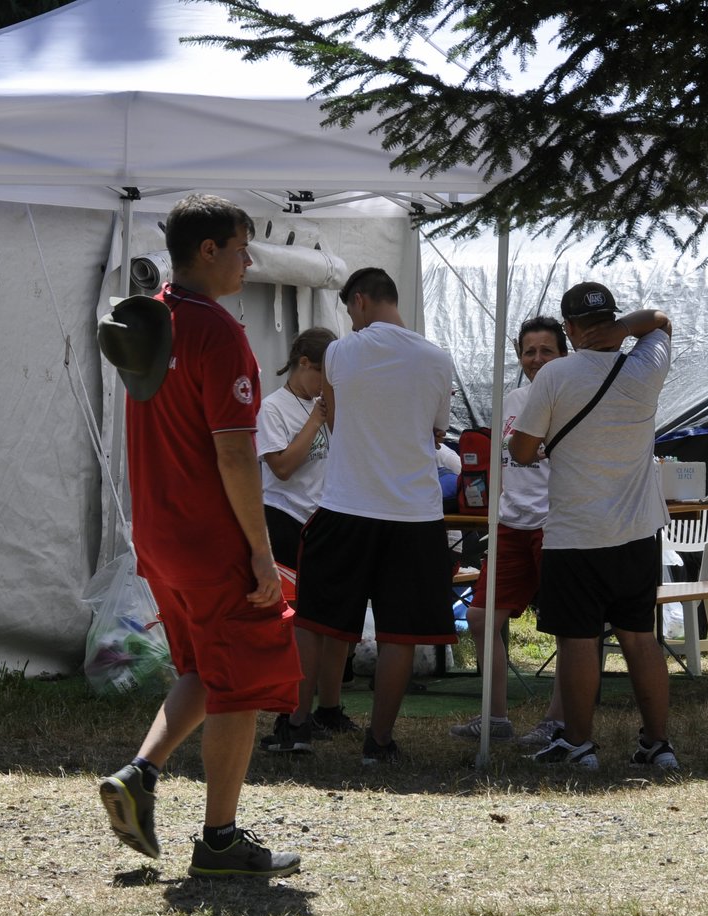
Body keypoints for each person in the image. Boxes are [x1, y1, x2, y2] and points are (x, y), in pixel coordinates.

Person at [98, 193, 302, 877]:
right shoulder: (217, 331)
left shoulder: (150, 316)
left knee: (203, 671)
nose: (248, 261)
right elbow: (237, 454)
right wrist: (262, 551)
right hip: (209, 537)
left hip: (158, 534)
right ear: (208, 250)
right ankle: (219, 840)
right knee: (240, 684)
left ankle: (141, 773)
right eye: (241, 248)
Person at [507, 282, 679, 773]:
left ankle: (579, 745)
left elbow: (521, 452)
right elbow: (662, 319)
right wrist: (625, 329)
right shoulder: (647, 364)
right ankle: (658, 744)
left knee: (577, 641)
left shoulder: (556, 373)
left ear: (569, 330)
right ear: (613, 321)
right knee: (640, 637)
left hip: (575, 533)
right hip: (639, 531)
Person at [292, 266, 457, 764]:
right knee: (400, 633)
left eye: (349, 310)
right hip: (415, 512)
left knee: (316, 619)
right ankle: (379, 741)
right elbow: (436, 432)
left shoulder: (341, 350)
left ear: (359, 301)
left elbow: (336, 420)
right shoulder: (438, 358)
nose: (351, 320)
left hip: (347, 504)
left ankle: (296, 725)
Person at [449, 316, 569, 748]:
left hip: (554, 524)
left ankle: (558, 721)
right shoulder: (511, 399)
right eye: (529, 351)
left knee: (566, 625)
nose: (536, 359)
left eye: (546, 351)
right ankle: (495, 716)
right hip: (510, 524)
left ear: (563, 354)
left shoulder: (571, 397)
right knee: (481, 619)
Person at [254, 326, 357, 754]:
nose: (328, 384)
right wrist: (317, 418)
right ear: (303, 366)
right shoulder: (274, 408)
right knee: (298, 625)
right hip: (285, 519)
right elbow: (282, 467)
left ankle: (327, 709)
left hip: (328, 519)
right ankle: (290, 715)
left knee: (334, 623)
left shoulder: (331, 403)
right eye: (323, 374)